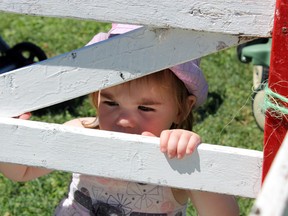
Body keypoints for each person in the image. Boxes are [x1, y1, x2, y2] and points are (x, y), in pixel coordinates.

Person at [0, 24, 239, 216]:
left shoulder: (174, 155)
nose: (123, 120)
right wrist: (10, 136)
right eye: (111, 103)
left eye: (145, 108)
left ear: (181, 110)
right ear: (96, 96)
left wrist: (190, 159)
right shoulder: (83, 131)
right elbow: (23, 171)